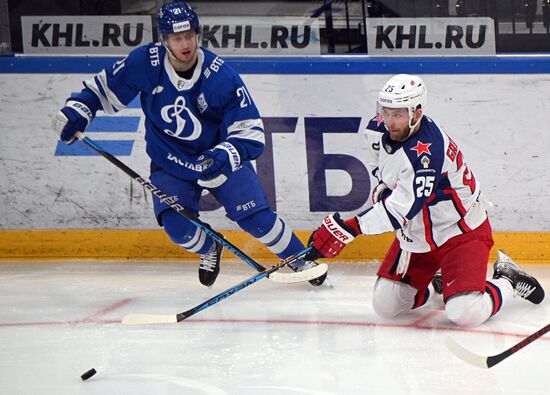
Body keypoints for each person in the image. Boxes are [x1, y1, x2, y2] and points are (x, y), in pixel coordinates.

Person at [51, 1, 326, 287]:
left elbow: (251, 131)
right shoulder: (145, 63)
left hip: (217, 159)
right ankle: (210, 248)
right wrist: (78, 110)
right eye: (177, 38)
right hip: (170, 162)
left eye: (190, 36)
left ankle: (300, 259)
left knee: (257, 219)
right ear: (164, 39)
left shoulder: (220, 76)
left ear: (198, 34)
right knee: (178, 228)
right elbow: (101, 89)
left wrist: (224, 155)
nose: (185, 44)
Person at [305, 74, 545, 327]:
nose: (389, 121)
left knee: (464, 313)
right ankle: (438, 284)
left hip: (460, 232)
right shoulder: (376, 131)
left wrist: (347, 229)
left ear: (417, 112)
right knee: (386, 305)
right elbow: (384, 177)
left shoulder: (427, 154)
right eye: (386, 112)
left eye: (397, 114)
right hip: (419, 233)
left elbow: (399, 212)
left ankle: (507, 279)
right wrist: (381, 193)